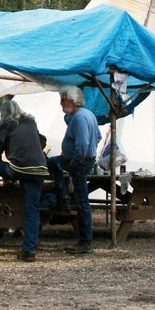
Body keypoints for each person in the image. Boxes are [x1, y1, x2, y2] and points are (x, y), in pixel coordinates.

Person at [0, 99, 48, 262]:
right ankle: (29, 250)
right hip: (39, 169)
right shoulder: (31, 122)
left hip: (19, 169)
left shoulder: (6, 125)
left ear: (3, 115)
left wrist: (1, 161)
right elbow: (40, 142)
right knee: (32, 210)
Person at [47, 85, 101, 255]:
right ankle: (63, 194)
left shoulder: (79, 118)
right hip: (84, 159)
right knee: (52, 163)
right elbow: (98, 136)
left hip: (79, 161)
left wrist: (76, 161)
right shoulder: (89, 115)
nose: (61, 103)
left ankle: (85, 241)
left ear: (71, 100)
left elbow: (83, 143)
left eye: (63, 99)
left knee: (82, 202)